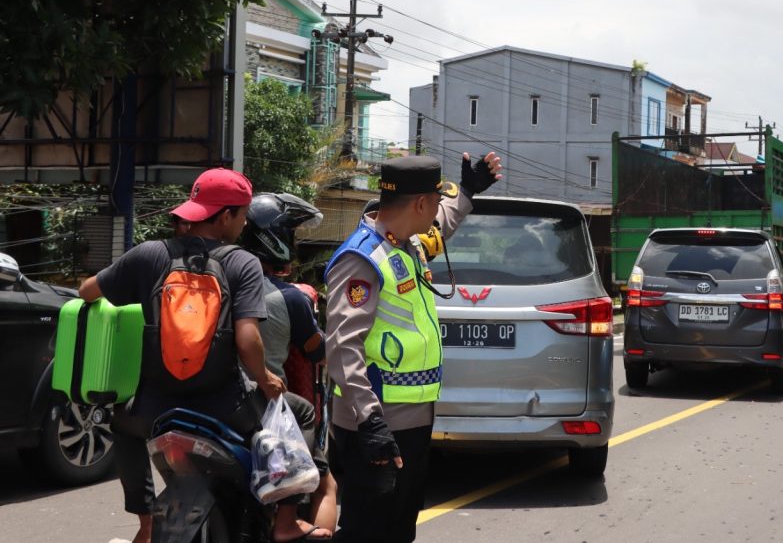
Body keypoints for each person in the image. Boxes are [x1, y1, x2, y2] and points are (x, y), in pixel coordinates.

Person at [78, 168, 331, 543]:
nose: (243, 223)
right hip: (224, 405)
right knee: (302, 412)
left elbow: (87, 291)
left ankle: (146, 526)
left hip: (154, 410)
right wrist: (266, 379)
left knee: (121, 425)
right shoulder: (241, 262)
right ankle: (286, 519)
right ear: (225, 216)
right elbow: (247, 339)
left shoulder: (150, 254)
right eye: (242, 214)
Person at [325, 152, 502, 543]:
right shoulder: (363, 258)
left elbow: (442, 224)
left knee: (399, 527)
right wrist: (370, 420)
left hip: (411, 420)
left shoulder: (406, 245)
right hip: (376, 422)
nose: (438, 209)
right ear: (420, 203)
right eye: (436, 200)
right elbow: (342, 345)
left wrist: (467, 191)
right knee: (367, 530)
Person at [238, 192, 338, 533]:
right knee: (324, 484)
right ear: (275, 238)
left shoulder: (216, 279)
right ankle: (288, 513)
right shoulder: (291, 296)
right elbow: (316, 352)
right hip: (261, 406)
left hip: (205, 397)